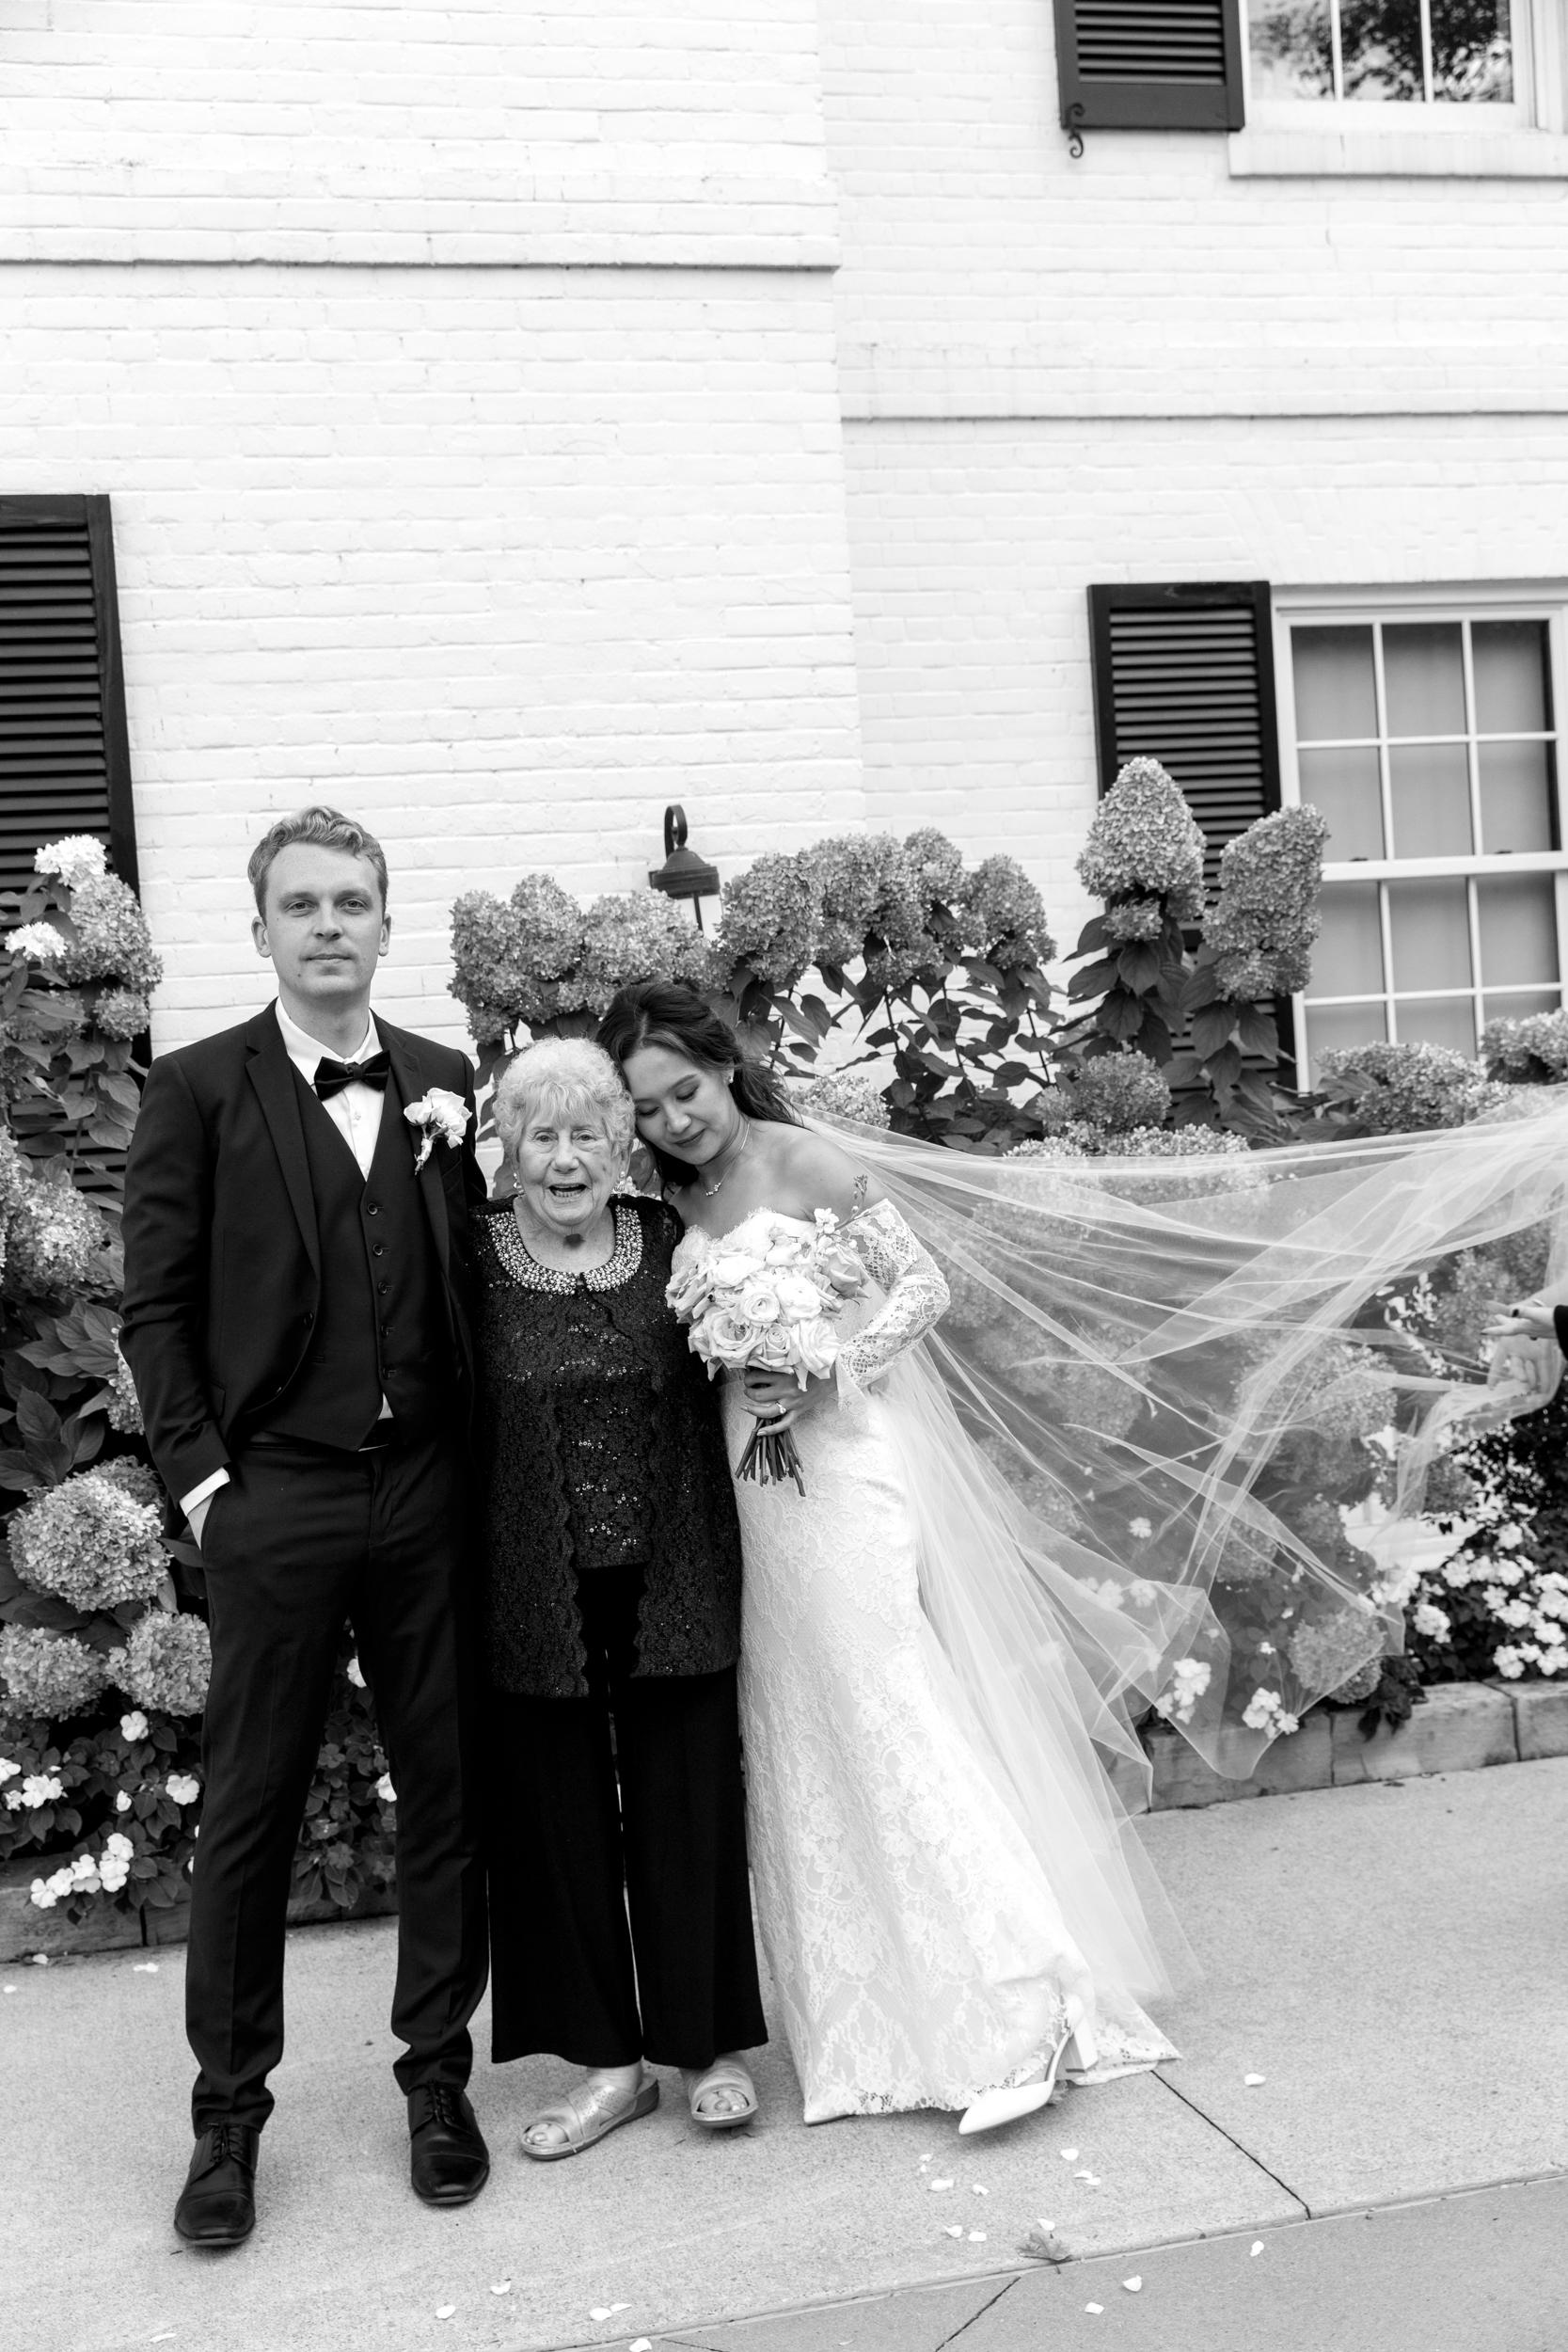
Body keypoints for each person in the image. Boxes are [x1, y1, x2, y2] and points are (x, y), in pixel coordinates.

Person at [596, 980, 1181, 2134]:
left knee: (890, 1705)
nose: (675, 1119)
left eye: (686, 1090)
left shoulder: (801, 1160)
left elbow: (921, 1285)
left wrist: (824, 1369)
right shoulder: (665, 1195)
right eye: (649, 1108)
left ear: (723, 1065)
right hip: (748, 1489)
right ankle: (875, 2027)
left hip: (844, 1465)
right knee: (803, 1729)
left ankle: (1023, 2001)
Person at [120, 806, 490, 2246]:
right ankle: (227, 2125)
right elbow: (154, 1303)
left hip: (425, 1495)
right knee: (249, 1813)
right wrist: (208, 1485)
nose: (329, 925)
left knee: (445, 1796)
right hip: (272, 1493)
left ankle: (436, 2080)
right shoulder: (198, 1088)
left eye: (353, 902)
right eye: (302, 905)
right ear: (261, 929)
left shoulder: (448, 1083)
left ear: (386, 925)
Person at [474, 1038, 767, 2154]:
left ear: (618, 1144)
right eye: (538, 1134)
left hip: (675, 1566)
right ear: (507, 1146)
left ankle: (703, 2044)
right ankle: (605, 2065)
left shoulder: (670, 1243)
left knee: (687, 1798)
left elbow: (747, 1351)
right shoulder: (473, 1257)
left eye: (585, 1133)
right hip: (530, 1581)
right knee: (555, 1817)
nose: (562, 1158)